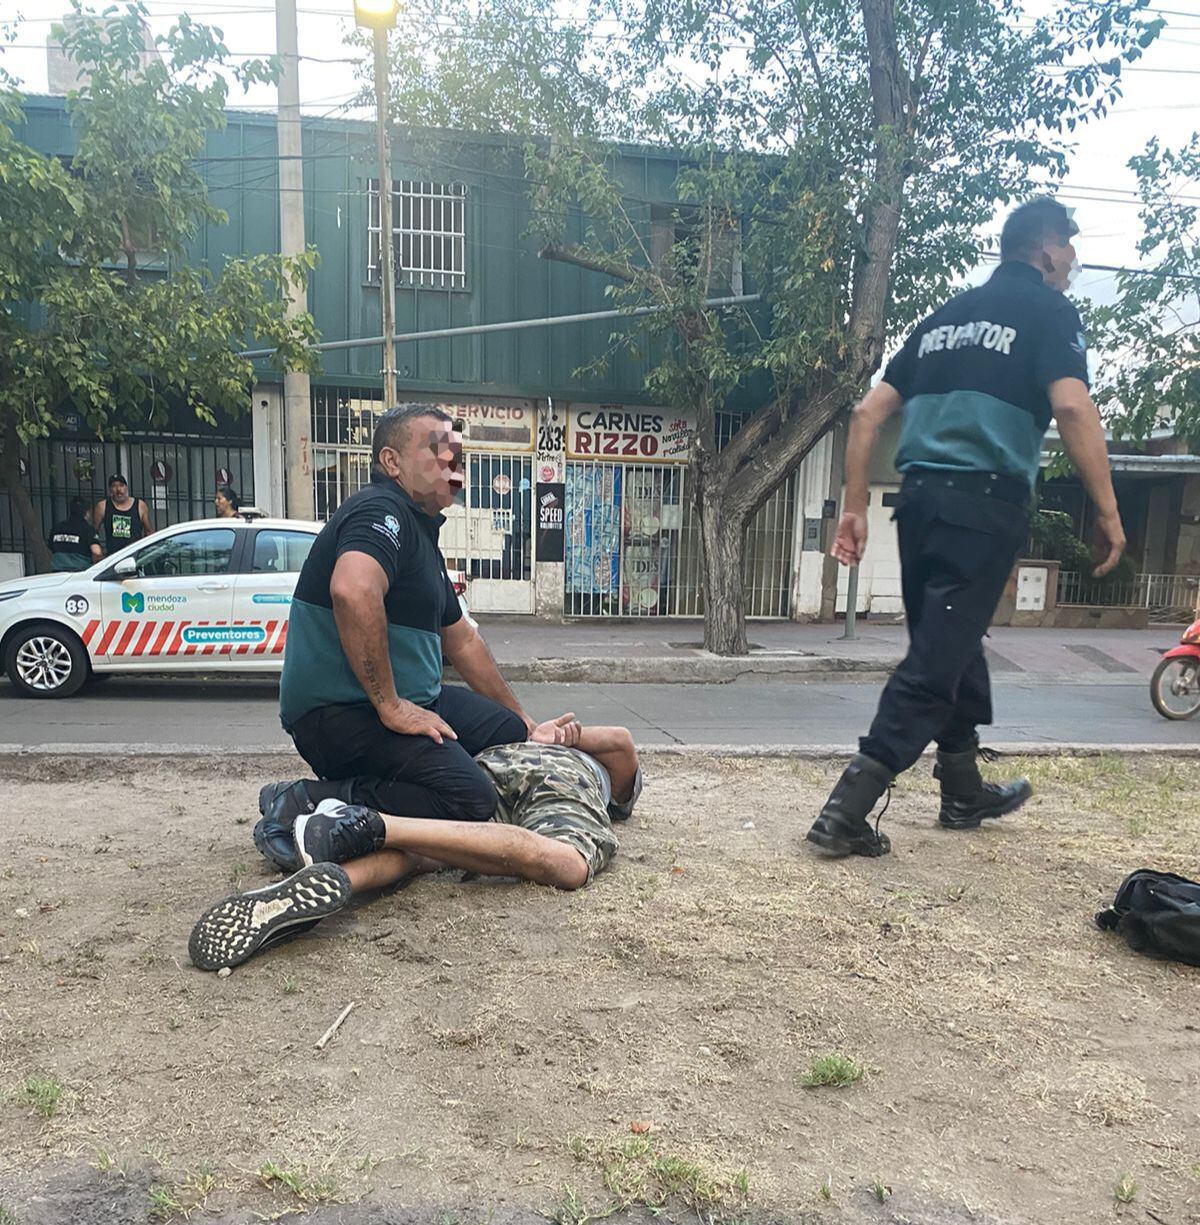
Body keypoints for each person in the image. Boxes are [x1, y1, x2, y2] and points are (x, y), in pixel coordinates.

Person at [807, 198, 1126, 858]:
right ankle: (847, 807)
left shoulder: (943, 321)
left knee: (951, 636)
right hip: (983, 505)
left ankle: (962, 788)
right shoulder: (1049, 311)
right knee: (937, 656)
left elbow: (867, 415)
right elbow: (1070, 404)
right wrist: (1107, 509)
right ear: (1043, 249)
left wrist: (856, 504)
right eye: (1068, 246)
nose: (1073, 258)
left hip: (918, 501)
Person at [256, 404, 577, 857]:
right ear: (392, 462)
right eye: (438, 451)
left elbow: (462, 639)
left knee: (506, 730)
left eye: (456, 455)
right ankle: (310, 799)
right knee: (469, 797)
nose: (453, 464)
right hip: (340, 714)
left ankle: (391, 787)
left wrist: (526, 724)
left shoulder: (421, 534)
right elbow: (352, 590)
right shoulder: (379, 510)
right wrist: (391, 707)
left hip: (410, 698)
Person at [189, 722, 643, 971]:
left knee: (435, 842)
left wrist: (568, 735)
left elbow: (621, 744)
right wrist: (562, 739)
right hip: (546, 784)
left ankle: (334, 878)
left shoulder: (608, 780)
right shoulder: (585, 778)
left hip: (486, 775)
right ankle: (375, 826)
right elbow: (620, 743)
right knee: (570, 863)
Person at [94, 473, 153, 556]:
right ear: (110, 490)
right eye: (114, 486)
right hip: (113, 557)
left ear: (126, 488)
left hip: (135, 555)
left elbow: (149, 531)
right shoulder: (103, 506)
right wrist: (98, 551)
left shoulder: (140, 505)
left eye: (121, 485)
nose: (118, 489)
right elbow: (93, 532)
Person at [47, 498, 102, 571]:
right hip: (79, 572)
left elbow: (50, 548)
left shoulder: (57, 528)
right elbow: (96, 552)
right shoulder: (87, 529)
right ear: (87, 513)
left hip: (57, 571)